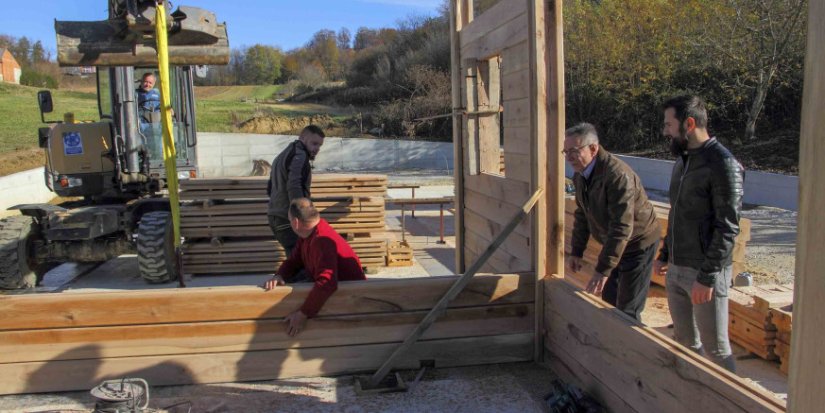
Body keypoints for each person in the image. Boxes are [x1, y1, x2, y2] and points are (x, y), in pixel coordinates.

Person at [654, 95, 744, 373]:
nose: (665, 130)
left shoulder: (723, 164)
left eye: (670, 124)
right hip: (678, 269)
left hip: (704, 274)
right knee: (684, 344)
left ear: (689, 123)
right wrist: (665, 253)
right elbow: (677, 212)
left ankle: (731, 403)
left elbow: (727, 227)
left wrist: (707, 277)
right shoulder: (683, 162)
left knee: (716, 350)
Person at [564, 123, 661, 322]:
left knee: (628, 309)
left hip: (638, 243)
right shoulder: (581, 175)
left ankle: (631, 349)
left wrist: (602, 270)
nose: (569, 157)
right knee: (609, 300)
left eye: (574, 151)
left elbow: (622, 226)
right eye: (566, 151)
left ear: (593, 148)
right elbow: (583, 214)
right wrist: (576, 251)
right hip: (615, 242)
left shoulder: (617, 176)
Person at [264, 198, 366, 336]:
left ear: (295, 222)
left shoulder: (322, 241)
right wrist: (280, 274)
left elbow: (327, 283)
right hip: (337, 291)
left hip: (354, 299)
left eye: (289, 220)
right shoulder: (307, 233)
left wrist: (303, 314)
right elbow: (294, 260)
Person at [267, 125, 325, 256]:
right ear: (303, 138)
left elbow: (269, 188)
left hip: (276, 216)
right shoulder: (300, 155)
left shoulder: (283, 155)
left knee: (296, 260)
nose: (317, 149)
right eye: (314, 143)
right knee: (301, 263)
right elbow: (294, 184)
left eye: (320, 145)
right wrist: (300, 215)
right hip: (288, 220)